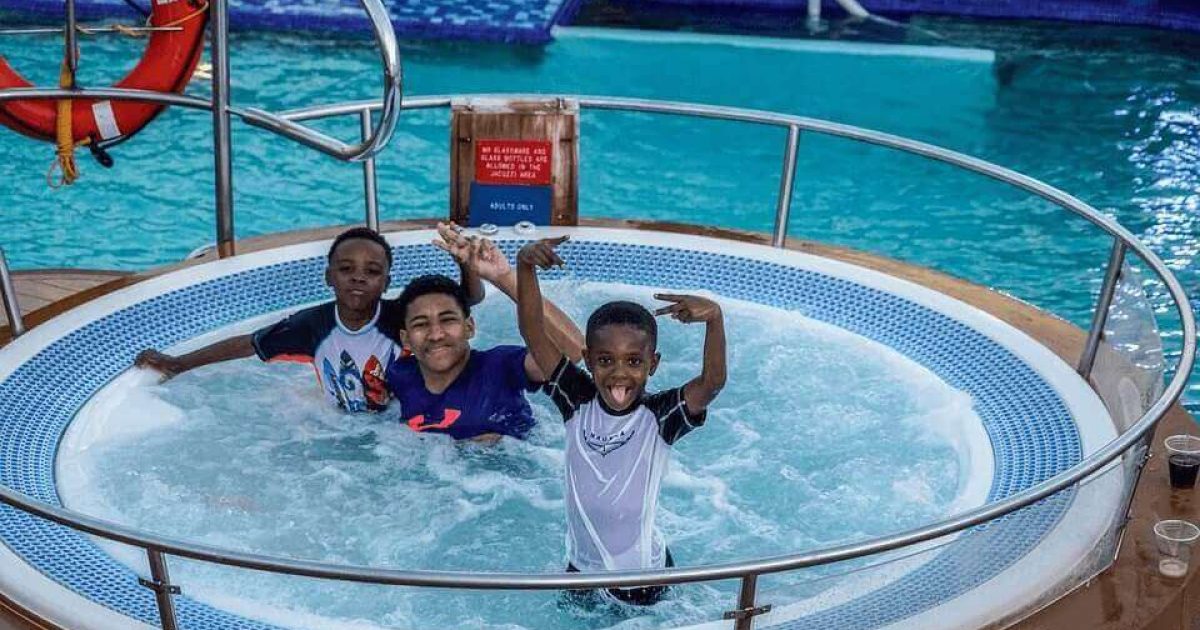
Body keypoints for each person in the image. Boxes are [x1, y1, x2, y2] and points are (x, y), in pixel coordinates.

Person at [515, 235, 727, 606]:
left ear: (653, 364)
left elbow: (712, 383)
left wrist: (715, 320)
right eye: (605, 359)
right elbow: (534, 333)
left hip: (641, 575)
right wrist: (525, 266)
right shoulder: (575, 399)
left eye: (634, 361)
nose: (618, 373)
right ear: (588, 357)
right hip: (581, 569)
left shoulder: (659, 417)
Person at [133, 227, 485, 412]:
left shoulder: (400, 316)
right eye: (346, 269)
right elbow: (249, 343)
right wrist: (180, 363)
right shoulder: (312, 326)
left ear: (386, 283)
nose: (358, 278)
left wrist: (466, 263)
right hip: (343, 425)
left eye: (372, 271)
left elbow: (467, 300)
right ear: (328, 277)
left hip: (405, 422)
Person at [385, 224, 584, 442]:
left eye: (447, 320)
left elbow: (574, 353)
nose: (436, 335)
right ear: (406, 339)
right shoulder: (399, 375)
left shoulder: (499, 367)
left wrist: (504, 277)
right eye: (421, 324)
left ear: (469, 327)